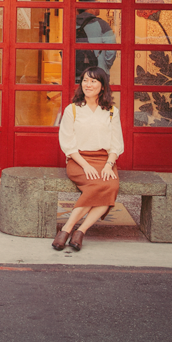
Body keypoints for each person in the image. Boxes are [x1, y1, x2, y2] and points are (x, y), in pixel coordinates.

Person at [52, 66, 123, 251]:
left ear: (102, 86)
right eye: (85, 80)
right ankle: (69, 229)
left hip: (104, 160)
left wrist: (109, 165)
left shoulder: (111, 111)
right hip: (78, 160)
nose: (88, 84)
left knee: (111, 186)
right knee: (98, 186)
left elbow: (117, 143)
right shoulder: (72, 110)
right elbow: (67, 143)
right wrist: (85, 165)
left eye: (93, 81)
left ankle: (78, 230)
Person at [75, 0, 117, 83]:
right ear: (93, 6)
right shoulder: (102, 25)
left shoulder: (70, 24)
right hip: (98, 73)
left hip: (77, 73)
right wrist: (105, 65)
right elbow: (112, 50)